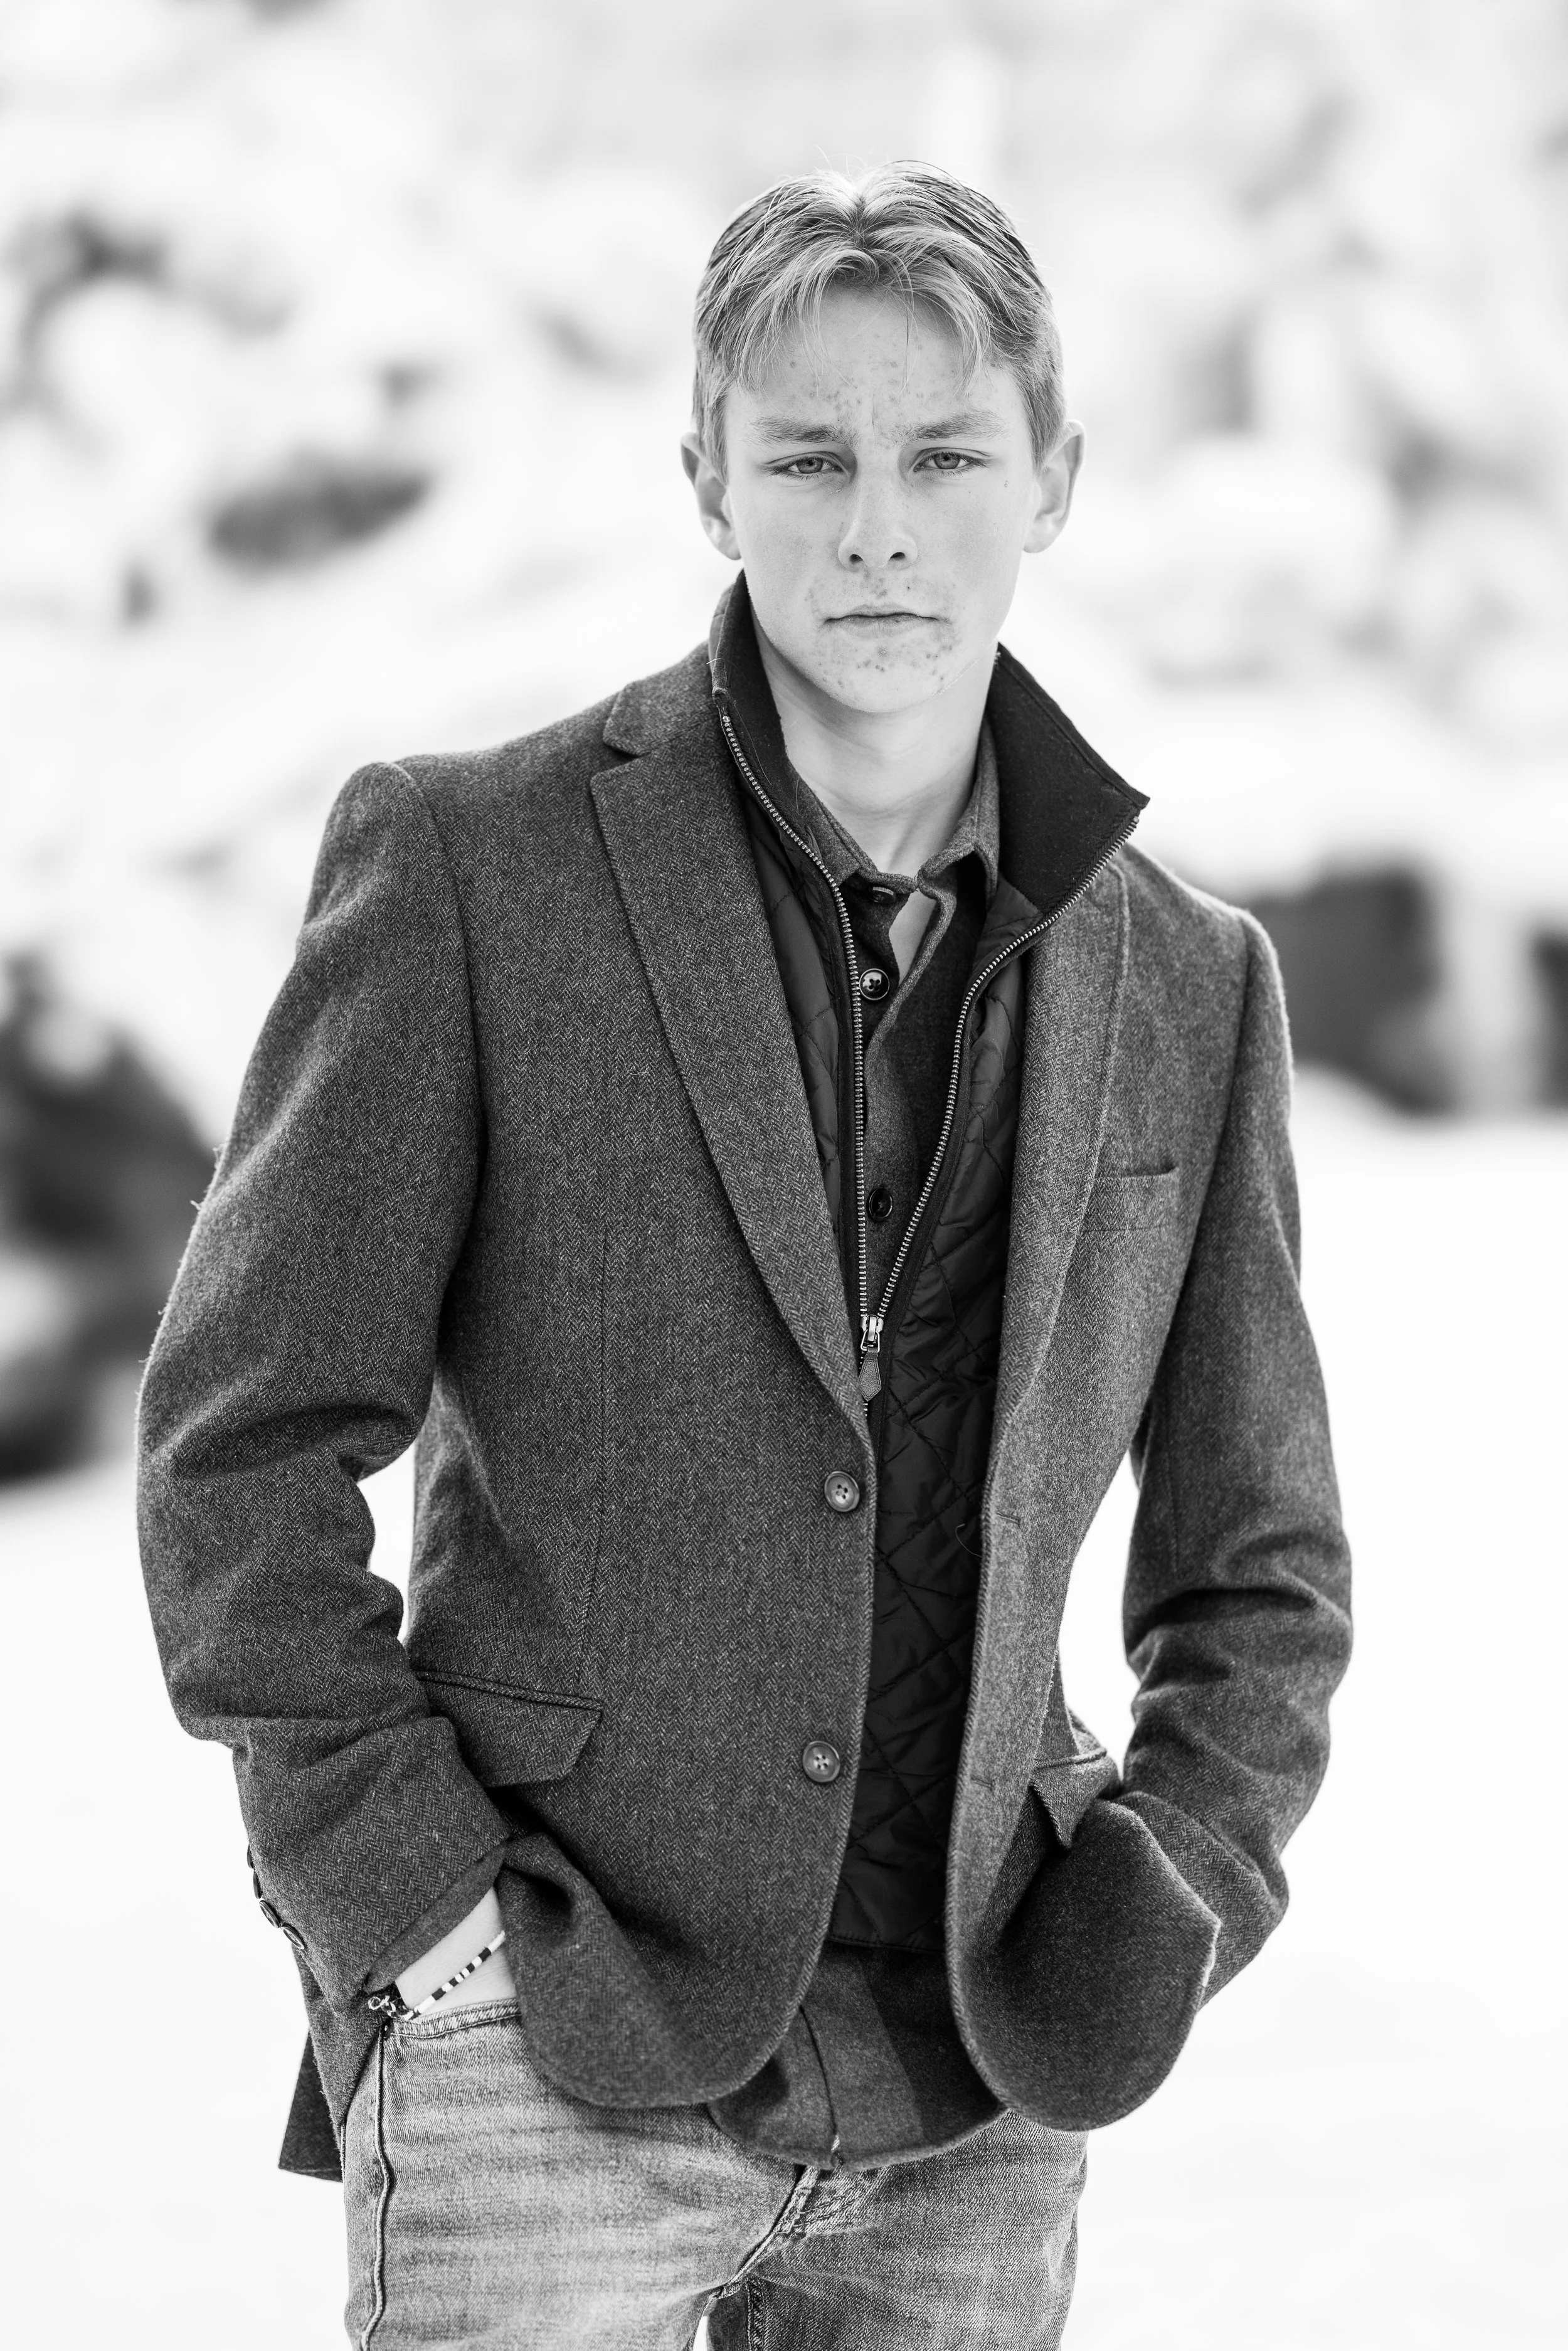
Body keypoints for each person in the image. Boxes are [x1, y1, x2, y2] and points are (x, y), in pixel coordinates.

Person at [137, 161, 1352, 2351]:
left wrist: (1169, 1883)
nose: (875, 523)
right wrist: (408, 1912)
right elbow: (239, 1444)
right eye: (806, 456)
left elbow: (1259, 1566)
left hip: (976, 2077)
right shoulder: (469, 865)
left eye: (941, 454)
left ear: (1049, 477)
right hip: (544, 2034)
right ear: (707, 476)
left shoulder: (1190, 977)